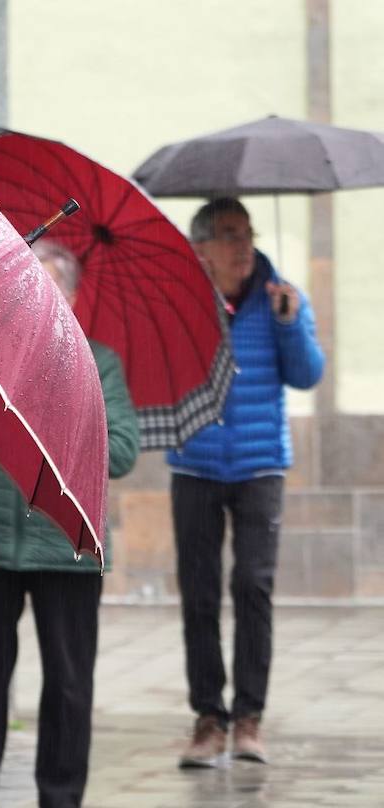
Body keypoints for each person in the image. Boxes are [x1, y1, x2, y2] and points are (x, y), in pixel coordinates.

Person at [0, 240, 140, 808]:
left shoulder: (99, 362)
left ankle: (61, 798)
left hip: (67, 544)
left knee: (67, 683)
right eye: (26, 285)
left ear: (72, 296)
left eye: (49, 285)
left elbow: (125, 452)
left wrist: (60, 404)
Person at [168, 197, 324, 767]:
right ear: (202, 248)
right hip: (196, 462)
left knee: (253, 587)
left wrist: (289, 322)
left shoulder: (279, 294)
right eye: (230, 235)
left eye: (247, 233)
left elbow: (308, 374)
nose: (244, 246)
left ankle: (249, 718)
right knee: (200, 593)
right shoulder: (182, 296)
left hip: (260, 466)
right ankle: (209, 718)